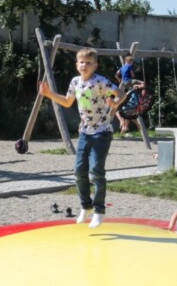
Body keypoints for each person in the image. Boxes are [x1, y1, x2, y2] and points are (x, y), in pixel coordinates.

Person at [39, 48, 120, 227]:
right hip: (85, 132)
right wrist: (49, 94)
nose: (84, 65)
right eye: (81, 62)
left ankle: (99, 210)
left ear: (95, 65)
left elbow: (120, 93)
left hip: (102, 132)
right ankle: (86, 206)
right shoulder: (75, 82)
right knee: (79, 171)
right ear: (77, 65)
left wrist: (115, 102)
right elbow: (68, 102)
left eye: (88, 63)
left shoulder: (100, 81)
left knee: (96, 171)